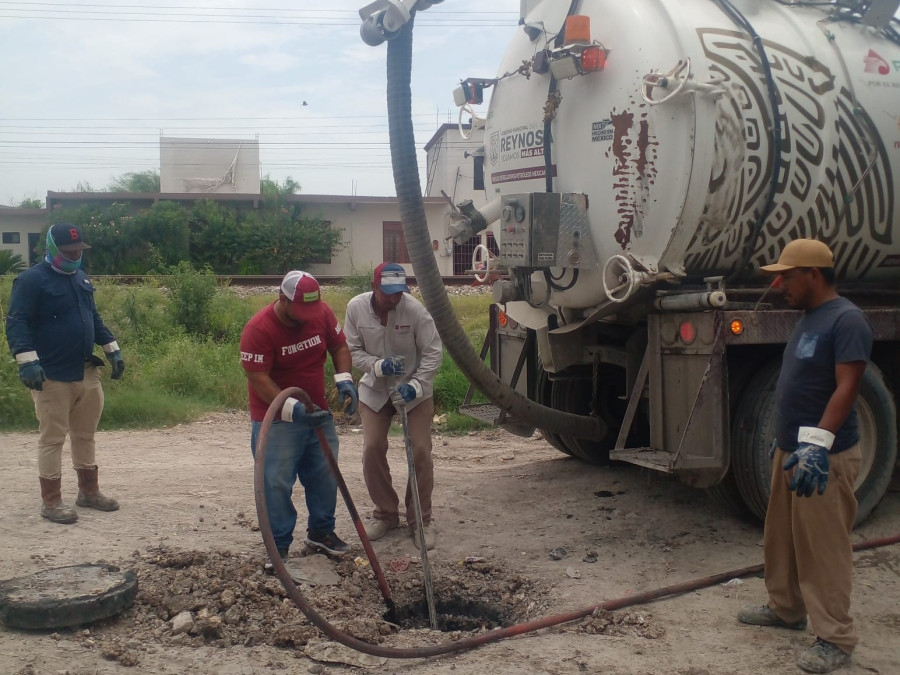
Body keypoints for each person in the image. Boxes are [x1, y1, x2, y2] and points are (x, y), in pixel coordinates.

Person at [738, 239, 873, 674]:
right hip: (792, 451)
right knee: (781, 538)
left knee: (822, 548)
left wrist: (818, 443)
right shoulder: (809, 318)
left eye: (787, 276)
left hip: (823, 457)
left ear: (813, 274)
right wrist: (787, 442)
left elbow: (848, 387)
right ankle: (786, 608)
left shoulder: (847, 320)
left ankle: (835, 638)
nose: (779, 285)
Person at [6, 222, 125, 524]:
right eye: (68, 251)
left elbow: (93, 317)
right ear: (51, 248)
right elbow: (17, 322)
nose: (74, 255)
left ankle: (88, 492)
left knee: (85, 435)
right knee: (52, 439)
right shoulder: (31, 280)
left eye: (78, 250)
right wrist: (26, 361)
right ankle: (51, 501)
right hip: (51, 374)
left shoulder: (80, 277)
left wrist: (112, 349)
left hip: (86, 371)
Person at [239, 270, 358, 564]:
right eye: (302, 310)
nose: (308, 317)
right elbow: (258, 378)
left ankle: (321, 532)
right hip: (278, 419)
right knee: (276, 483)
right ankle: (278, 545)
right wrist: (294, 409)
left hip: (317, 413)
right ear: (283, 299)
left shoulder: (322, 314)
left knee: (325, 475)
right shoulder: (258, 329)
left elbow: (339, 346)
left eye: (312, 309)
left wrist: (345, 379)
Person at [343, 262, 443, 549]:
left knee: (420, 450)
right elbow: (351, 350)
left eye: (399, 292)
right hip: (375, 390)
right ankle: (386, 514)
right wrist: (377, 365)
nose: (394, 299)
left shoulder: (415, 311)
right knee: (373, 448)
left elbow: (433, 352)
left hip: (414, 392)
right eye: (388, 293)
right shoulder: (355, 308)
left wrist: (417, 385)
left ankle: (420, 521)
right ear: (374, 287)